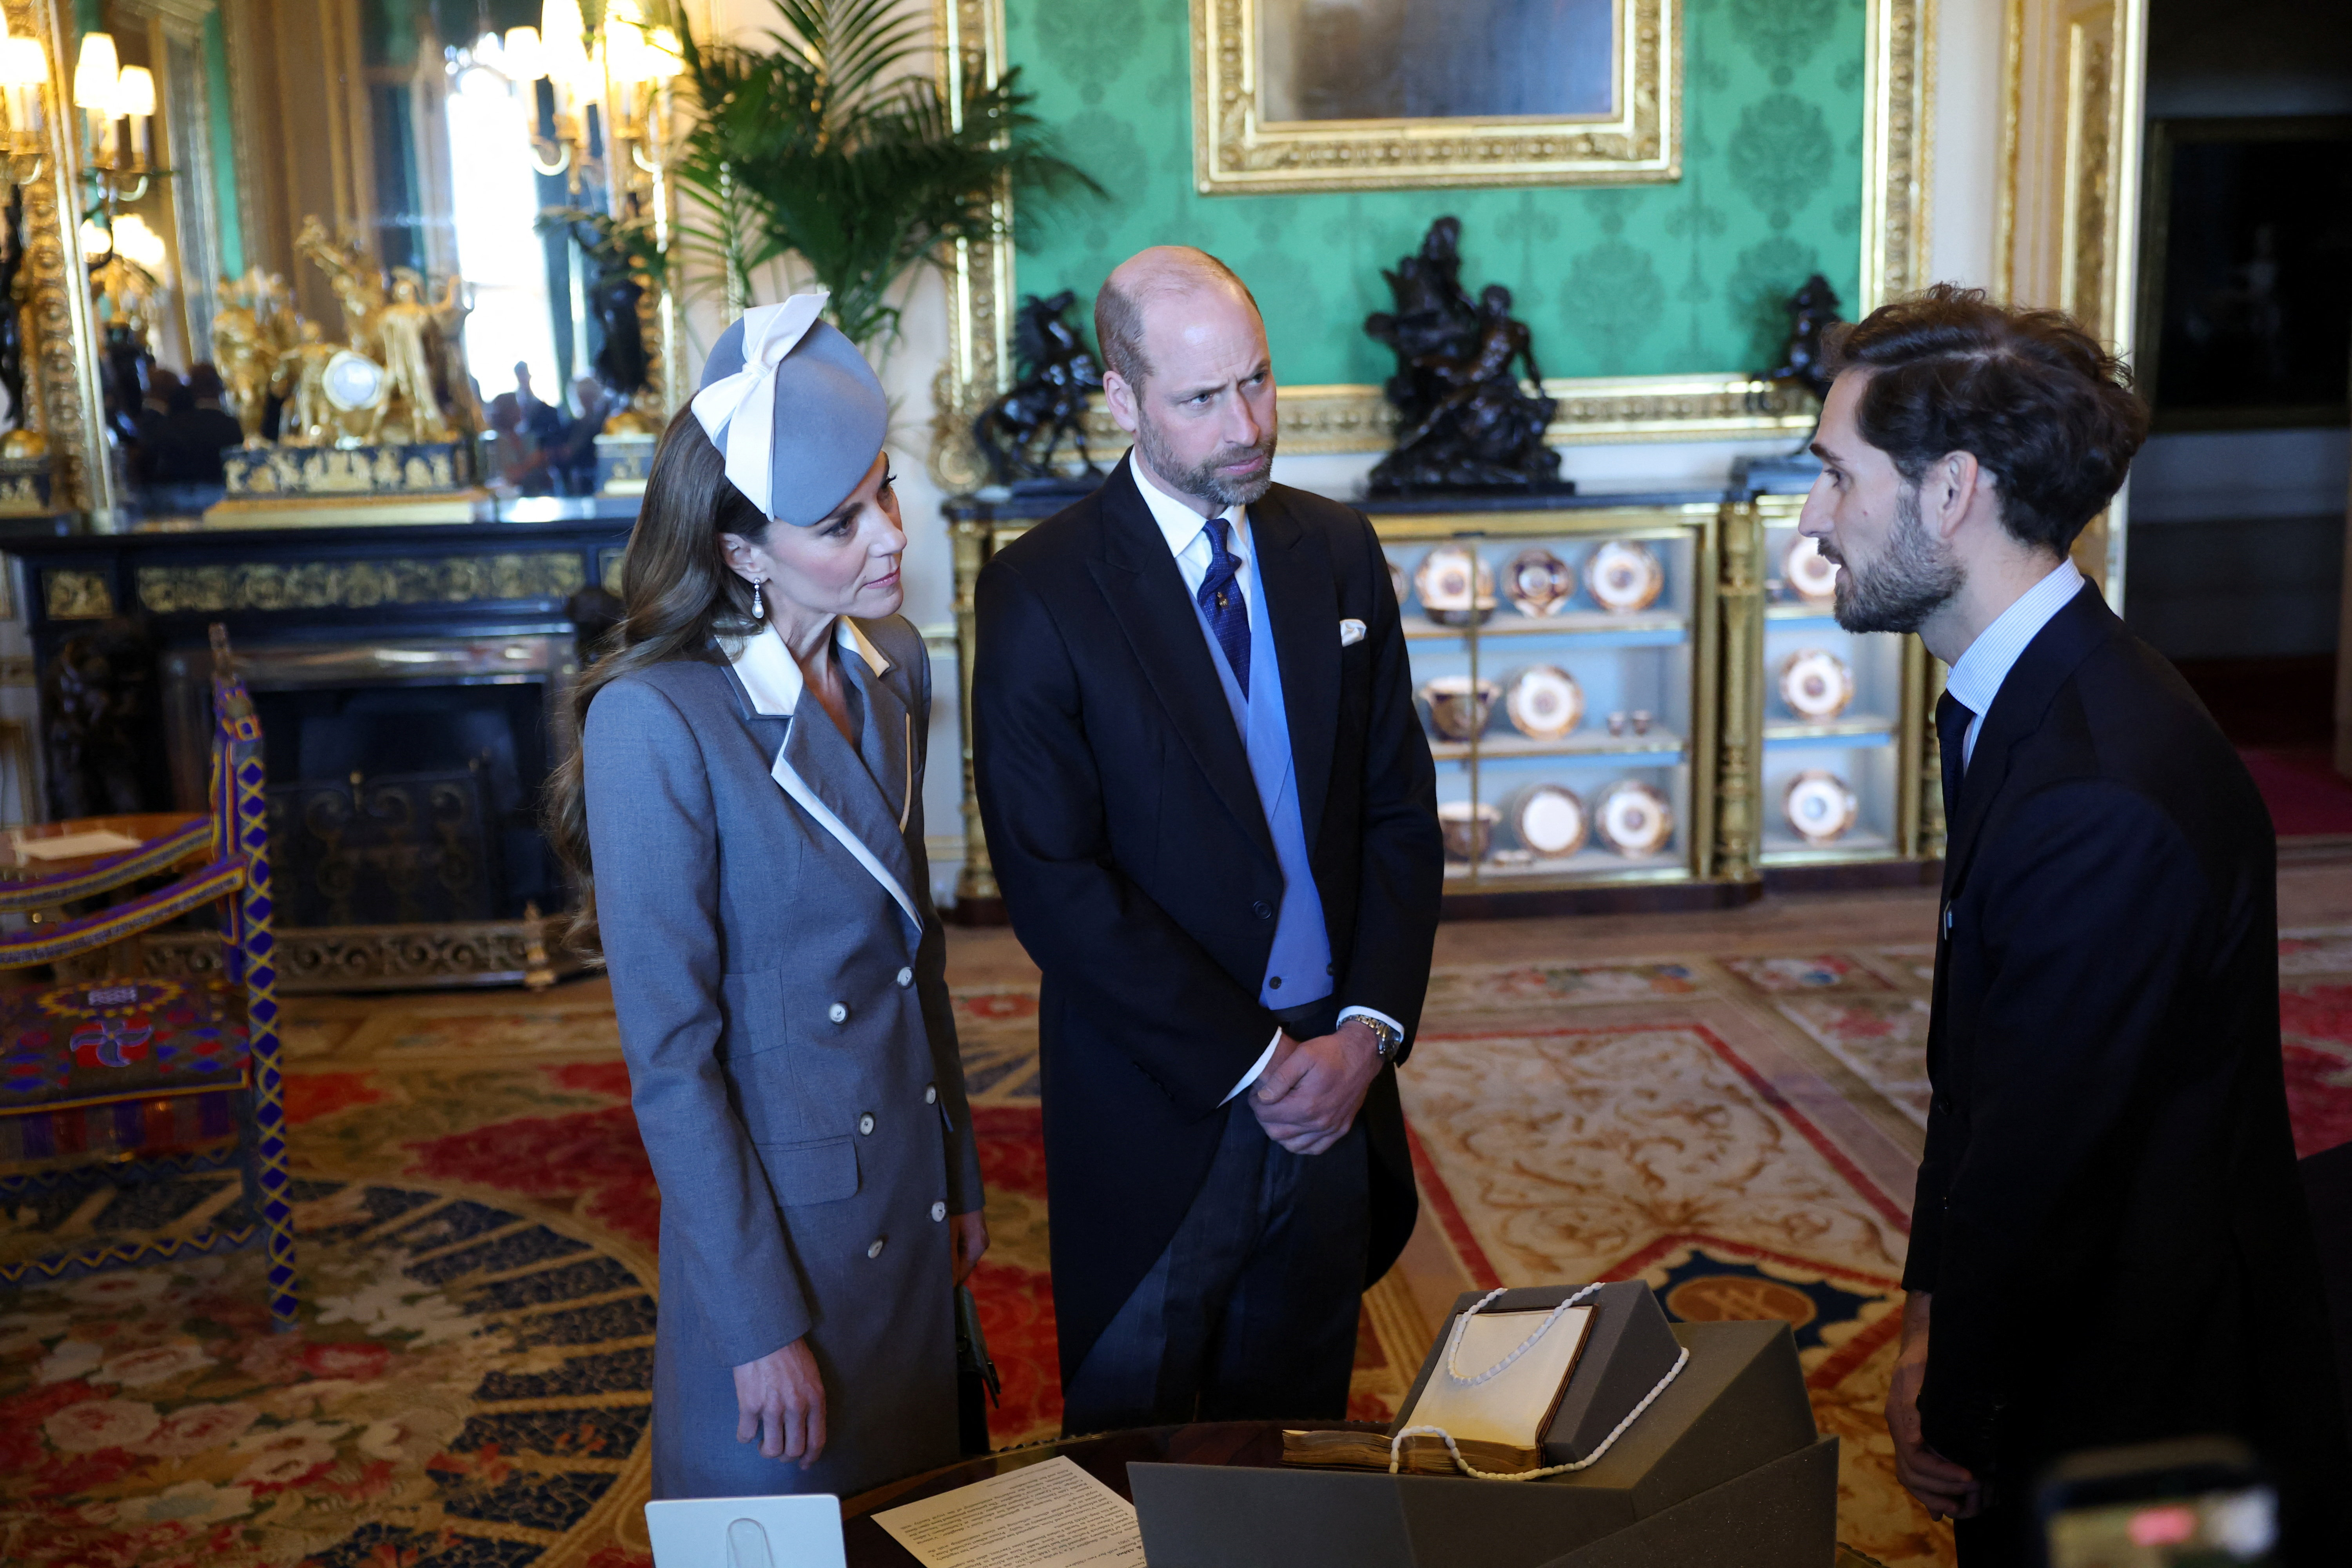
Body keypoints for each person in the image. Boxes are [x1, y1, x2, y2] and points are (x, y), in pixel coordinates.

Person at [1798, 285, 2347, 1564]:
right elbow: (1983, 1088)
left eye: (1837, 477)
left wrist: (1961, 1404)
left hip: (2138, 1401)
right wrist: (1926, 1316)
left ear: (1952, 494)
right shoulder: (2029, 694)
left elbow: (2049, 1175)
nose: (1817, 521)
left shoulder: (2096, 793)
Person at [971, 247, 1443, 1432]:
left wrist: (1365, 1036)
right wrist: (1254, 1061)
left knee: (1296, 1451)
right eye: (1202, 398)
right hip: (1160, 1105)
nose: (1247, 426)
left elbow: (1397, 813)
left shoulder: (1337, 551)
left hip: (1338, 1093)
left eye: (1261, 382)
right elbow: (1056, 884)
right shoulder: (1042, 590)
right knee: (1135, 1465)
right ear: (1122, 400)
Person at [546, 293, 987, 1500]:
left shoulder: (896, 665)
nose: (888, 538)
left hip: (903, 1180)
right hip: (783, 1236)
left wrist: (958, 1172)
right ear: (742, 551)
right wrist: (754, 1325)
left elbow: (916, 959)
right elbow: (673, 1061)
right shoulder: (656, 722)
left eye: (885, 492)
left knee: (923, 1522)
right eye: (838, 525)